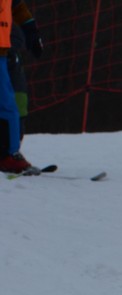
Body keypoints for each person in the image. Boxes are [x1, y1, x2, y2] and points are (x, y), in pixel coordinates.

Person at [1, 0, 43, 174]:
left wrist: (30, 30)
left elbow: (16, 6)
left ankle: (8, 154)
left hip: (3, 52)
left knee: (10, 104)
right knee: (6, 105)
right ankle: (7, 156)